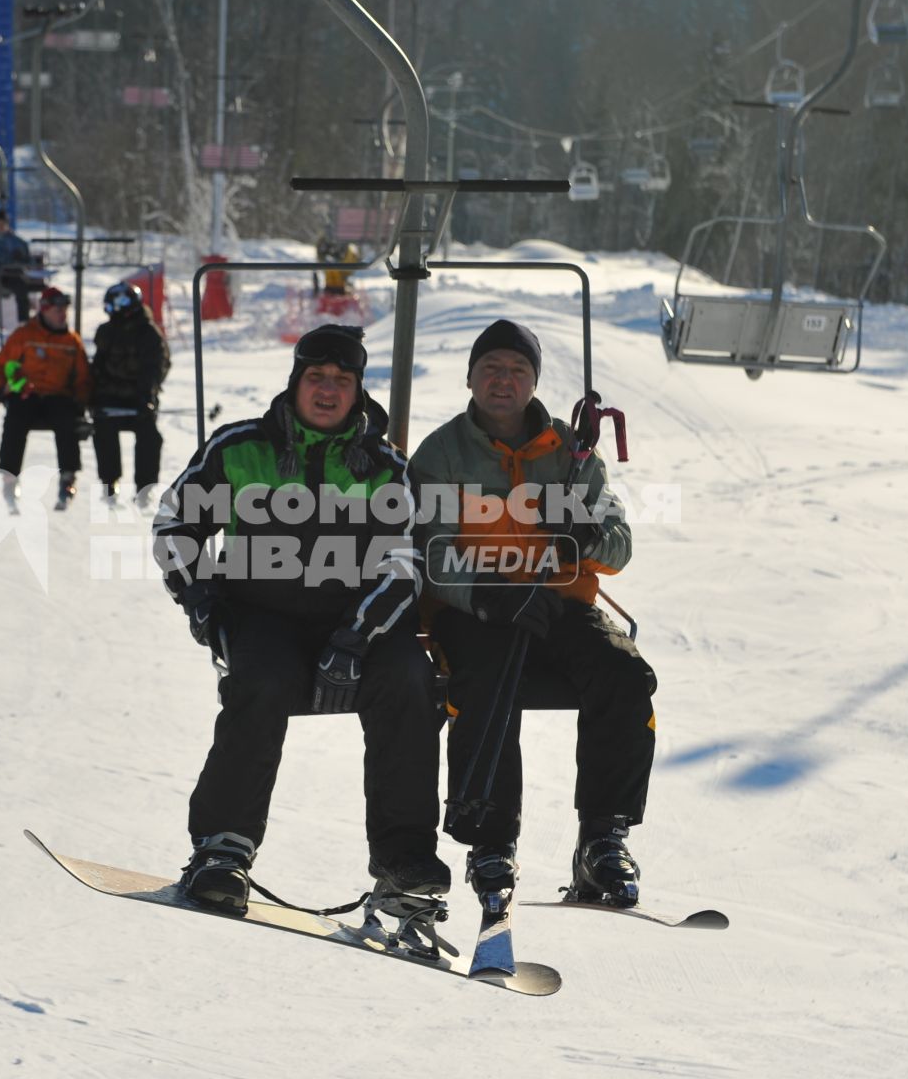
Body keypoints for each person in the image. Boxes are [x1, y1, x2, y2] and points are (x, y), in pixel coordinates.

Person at [151, 324, 447, 916]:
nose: (328, 391)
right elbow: (174, 528)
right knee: (260, 684)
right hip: (262, 612)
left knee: (412, 683)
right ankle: (222, 849)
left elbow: (407, 562)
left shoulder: (385, 468)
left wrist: (356, 637)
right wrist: (203, 601)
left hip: (360, 624)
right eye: (317, 377)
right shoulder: (239, 449)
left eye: (342, 381)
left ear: (359, 391)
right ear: (296, 382)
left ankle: (404, 860)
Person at [407, 319, 657, 910]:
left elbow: (620, 544)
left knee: (623, 673)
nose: (503, 380)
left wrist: (587, 536)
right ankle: (490, 839)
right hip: (476, 611)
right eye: (491, 368)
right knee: (488, 673)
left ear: (534, 381)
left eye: (517, 369)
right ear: (470, 377)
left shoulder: (571, 454)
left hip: (559, 602)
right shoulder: (442, 453)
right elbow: (431, 549)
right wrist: (488, 593)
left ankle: (603, 834)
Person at [0, 287, 90, 510]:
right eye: (57, 310)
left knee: (66, 421)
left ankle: (68, 478)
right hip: (28, 394)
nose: (62, 314)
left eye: (65, 310)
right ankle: (9, 477)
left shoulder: (72, 342)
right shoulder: (25, 336)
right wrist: (2, 387)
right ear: (44, 310)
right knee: (16, 419)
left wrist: (81, 402)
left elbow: (82, 378)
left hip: (58, 396)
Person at [89, 281, 171, 507]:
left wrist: (147, 395)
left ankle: (144, 488)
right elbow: (98, 367)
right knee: (103, 429)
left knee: (149, 437)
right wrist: (93, 395)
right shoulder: (105, 332)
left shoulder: (149, 333)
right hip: (110, 396)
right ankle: (110, 481)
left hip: (139, 397)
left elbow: (156, 367)